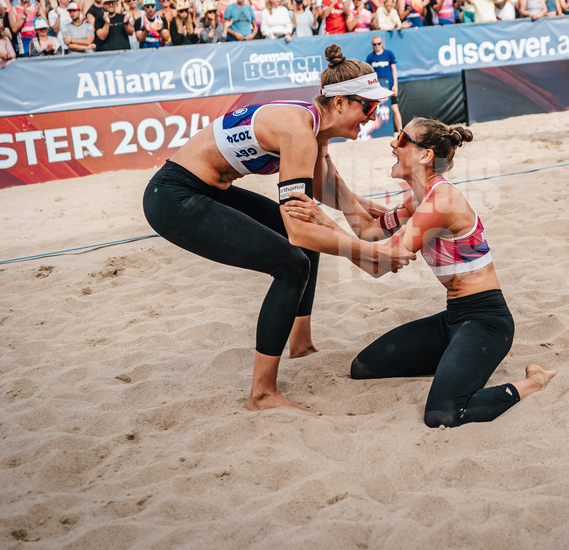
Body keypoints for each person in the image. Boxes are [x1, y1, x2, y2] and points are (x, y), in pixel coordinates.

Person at [142, 44, 414, 414]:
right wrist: (368, 252)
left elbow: (327, 186)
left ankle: (300, 344)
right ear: (339, 104)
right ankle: (262, 394)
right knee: (292, 261)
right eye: (367, 106)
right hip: (174, 198)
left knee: (306, 247)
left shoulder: (313, 126)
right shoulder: (298, 130)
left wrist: (365, 214)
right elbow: (300, 230)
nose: (372, 115)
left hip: (207, 189)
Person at [285, 119, 556, 428]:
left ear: (426, 155)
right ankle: (471, 360)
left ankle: (534, 381)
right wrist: (327, 163)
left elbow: (381, 263)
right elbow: (368, 232)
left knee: (444, 413)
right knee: (363, 367)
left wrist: (324, 222)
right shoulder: (417, 201)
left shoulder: (441, 201)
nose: (392, 144)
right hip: (454, 318)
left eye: (402, 139)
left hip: (487, 322)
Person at [365, 36, 402, 132]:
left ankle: (401, 131)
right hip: (377, 87)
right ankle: (379, 132)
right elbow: (369, 73)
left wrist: (395, 85)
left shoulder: (389, 54)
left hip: (389, 86)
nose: (377, 46)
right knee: (376, 110)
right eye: (374, 44)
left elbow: (394, 70)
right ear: (372, 45)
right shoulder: (370, 57)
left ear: (382, 43)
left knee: (394, 109)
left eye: (378, 43)